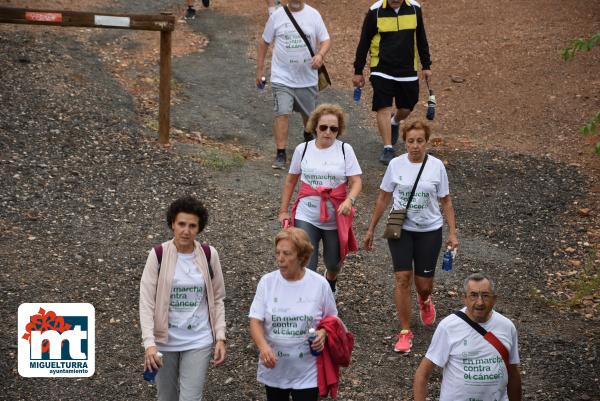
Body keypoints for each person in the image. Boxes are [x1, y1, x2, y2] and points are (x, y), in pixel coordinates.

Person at [363, 120, 458, 353]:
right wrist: (371, 229)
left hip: (429, 231)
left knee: (423, 285)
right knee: (402, 278)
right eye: (410, 141)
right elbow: (383, 198)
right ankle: (405, 332)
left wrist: (453, 233)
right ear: (404, 142)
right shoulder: (395, 165)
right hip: (401, 229)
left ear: (426, 142)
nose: (415, 146)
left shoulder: (436, 166)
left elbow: (445, 200)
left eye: (419, 141)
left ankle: (424, 300)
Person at [139, 196, 226, 401]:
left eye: (192, 226)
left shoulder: (209, 254)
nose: (186, 230)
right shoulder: (158, 254)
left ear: (199, 228)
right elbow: (146, 302)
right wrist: (149, 343)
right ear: (172, 224)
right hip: (164, 342)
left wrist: (220, 337)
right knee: (166, 397)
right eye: (181, 224)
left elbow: (218, 298)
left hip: (199, 339)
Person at [279, 103, 362, 297]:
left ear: (338, 130)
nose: (328, 132)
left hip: (335, 215)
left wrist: (349, 200)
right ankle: (310, 300)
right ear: (314, 126)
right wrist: (283, 210)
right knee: (308, 262)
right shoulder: (303, 149)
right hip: (306, 214)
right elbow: (291, 180)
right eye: (323, 127)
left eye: (333, 129)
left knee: (334, 262)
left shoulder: (345, 150)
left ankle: (331, 282)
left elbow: (356, 181)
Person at [249, 228, 337, 401]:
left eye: (287, 253)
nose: (280, 259)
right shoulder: (267, 282)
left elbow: (332, 319)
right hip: (274, 370)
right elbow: (255, 320)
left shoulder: (319, 284)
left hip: (307, 372)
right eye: (278, 253)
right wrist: (263, 347)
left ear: (301, 256)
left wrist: (323, 333)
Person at [413, 273, 522, 401]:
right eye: (473, 295)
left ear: (495, 299)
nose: (480, 302)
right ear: (464, 298)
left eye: (485, 296)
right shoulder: (448, 327)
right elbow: (422, 374)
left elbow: (513, 373)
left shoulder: (507, 327)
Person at [352, 0, 432, 165]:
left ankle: (395, 121)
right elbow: (364, 42)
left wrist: (426, 65)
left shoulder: (415, 9)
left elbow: (421, 37)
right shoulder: (375, 11)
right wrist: (358, 71)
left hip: (407, 69)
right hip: (381, 68)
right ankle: (387, 148)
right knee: (383, 106)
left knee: (407, 107)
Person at [256, 0, 331, 169]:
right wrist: (259, 71)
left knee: (309, 117)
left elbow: (326, 40)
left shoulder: (313, 15)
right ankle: (281, 152)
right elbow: (264, 43)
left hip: (307, 78)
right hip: (282, 77)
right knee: (282, 113)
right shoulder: (277, 16)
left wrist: (320, 55)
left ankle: (307, 135)